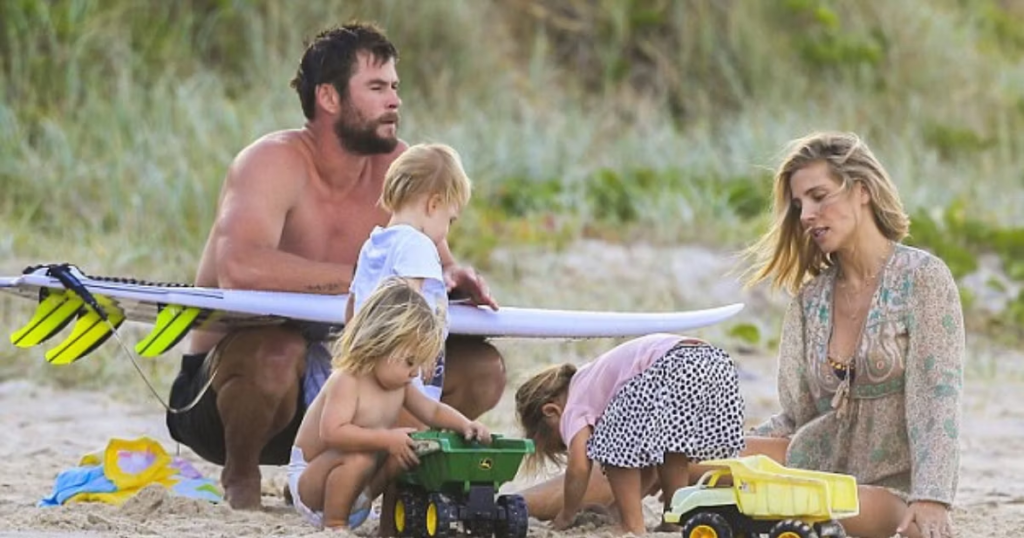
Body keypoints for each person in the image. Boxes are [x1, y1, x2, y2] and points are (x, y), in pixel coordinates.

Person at [164, 22, 504, 510]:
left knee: (483, 368)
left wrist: (452, 277)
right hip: (226, 398)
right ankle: (241, 476)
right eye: (376, 88)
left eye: (395, 88)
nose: (394, 101)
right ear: (328, 97)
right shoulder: (270, 162)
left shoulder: (403, 166)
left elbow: (438, 261)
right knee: (276, 352)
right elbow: (239, 268)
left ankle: (375, 480)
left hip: (361, 388)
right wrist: (367, 285)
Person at [742, 131, 964, 538]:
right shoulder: (810, 299)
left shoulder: (923, 279)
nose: (806, 214)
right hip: (811, 468)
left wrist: (932, 497)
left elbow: (937, 398)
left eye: (819, 195)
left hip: (885, 490)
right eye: (798, 204)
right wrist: (737, 445)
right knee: (692, 458)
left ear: (861, 191)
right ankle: (601, 502)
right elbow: (797, 416)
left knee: (804, 511)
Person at [288, 278, 491, 530]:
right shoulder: (348, 380)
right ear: (379, 343)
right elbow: (331, 433)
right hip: (313, 487)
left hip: (358, 494)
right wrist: (386, 438)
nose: (415, 373)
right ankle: (335, 526)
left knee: (407, 455)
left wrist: (465, 424)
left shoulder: (400, 385)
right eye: (409, 362)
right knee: (361, 457)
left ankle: (385, 524)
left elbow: (432, 410)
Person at [514, 334, 745, 535]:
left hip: (673, 364)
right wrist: (616, 506)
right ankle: (675, 518)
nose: (574, 442)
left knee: (613, 445)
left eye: (562, 442)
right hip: (712, 361)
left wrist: (567, 513)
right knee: (672, 449)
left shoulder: (573, 406)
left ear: (551, 411)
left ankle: (632, 526)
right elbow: (643, 466)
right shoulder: (591, 379)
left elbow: (579, 468)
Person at [346, 142, 475, 402]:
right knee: (412, 435)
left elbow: (352, 305)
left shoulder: (373, 244)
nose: (447, 230)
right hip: (404, 375)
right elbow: (408, 301)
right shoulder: (418, 245)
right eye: (450, 219)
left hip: (369, 370)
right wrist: (417, 357)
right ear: (434, 204)